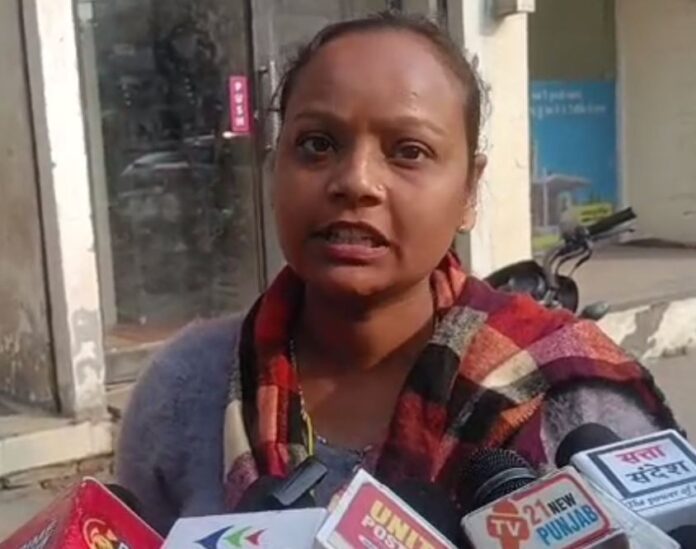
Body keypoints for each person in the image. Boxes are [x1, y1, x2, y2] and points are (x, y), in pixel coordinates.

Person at [117, 13, 680, 535]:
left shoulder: (576, 397)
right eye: (317, 144)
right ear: (275, 169)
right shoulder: (186, 389)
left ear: (469, 190)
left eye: (409, 151)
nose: (356, 182)